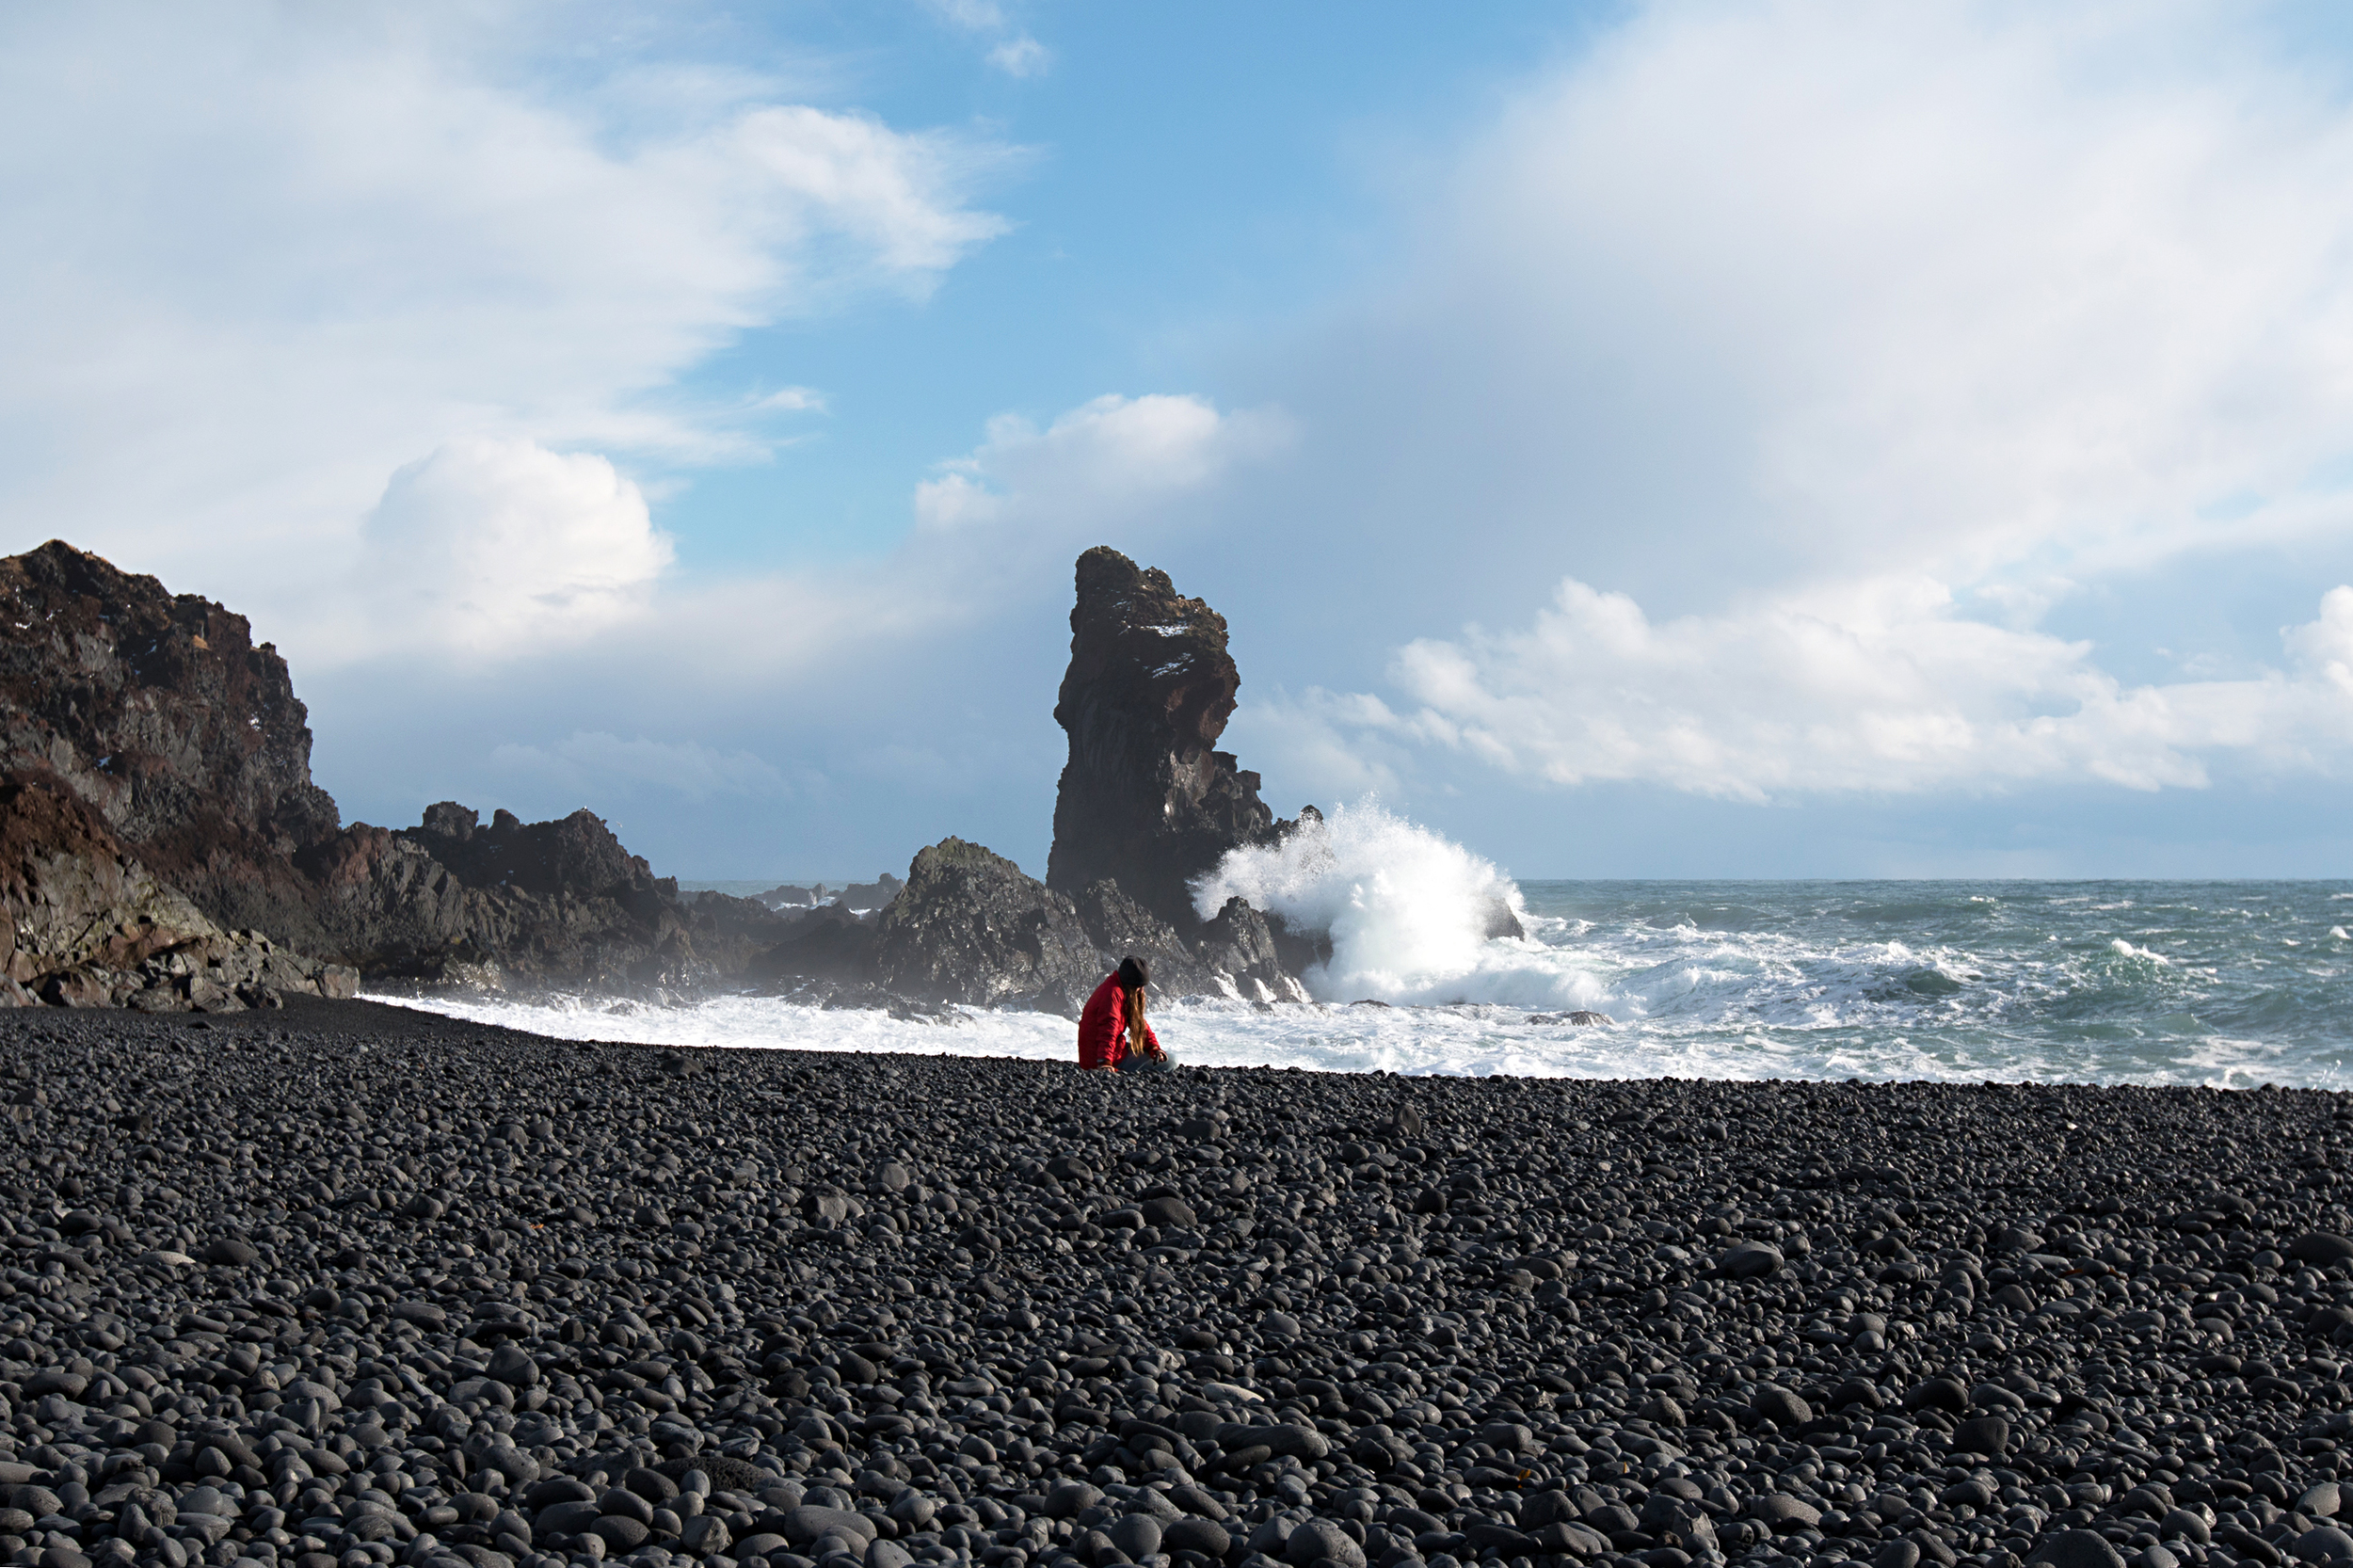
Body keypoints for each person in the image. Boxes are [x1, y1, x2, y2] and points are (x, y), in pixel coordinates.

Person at [1079, 954, 1168, 1072]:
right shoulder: (1113, 995)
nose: (1141, 991)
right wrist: (1105, 1063)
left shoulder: (1116, 988)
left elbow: (1140, 1024)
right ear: (1131, 984)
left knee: (1144, 1051)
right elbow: (1108, 1031)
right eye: (1138, 986)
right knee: (1171, 1062)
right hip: (1099, 1059)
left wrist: (1154, 1047)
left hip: (1098, 1054)